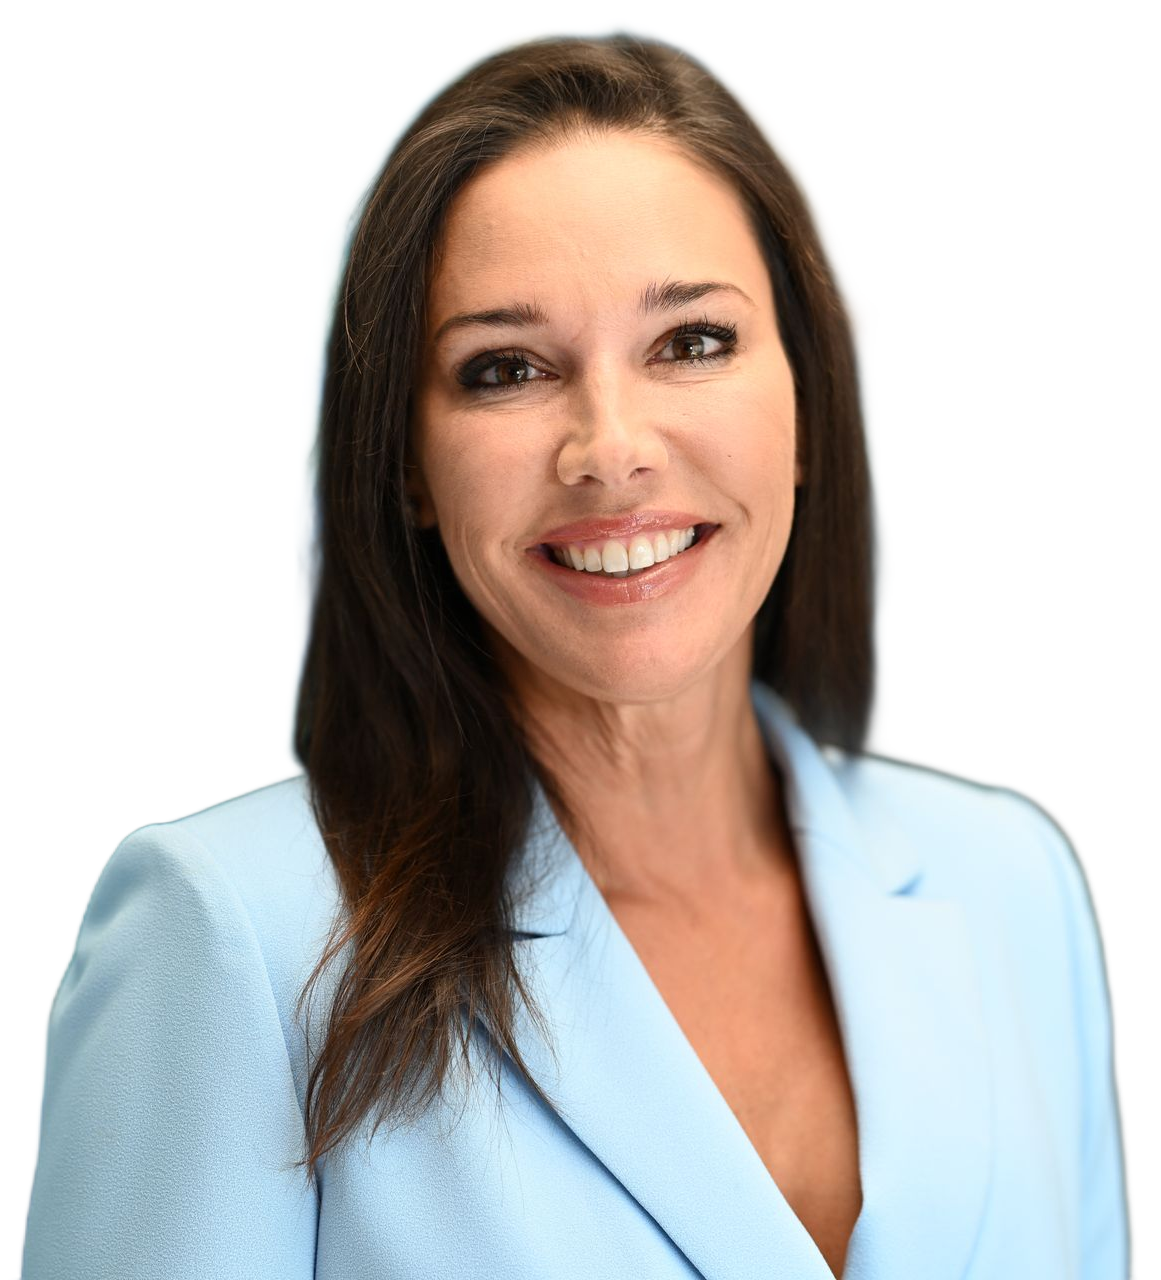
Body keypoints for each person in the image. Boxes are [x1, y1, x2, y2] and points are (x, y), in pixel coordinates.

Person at [21, 22, 1128, 1280]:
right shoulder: (233, 935)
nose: (610, 449)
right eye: (505, 368)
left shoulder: (1010, 883)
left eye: (691, 341)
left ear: (810, 401)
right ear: (407, 466)